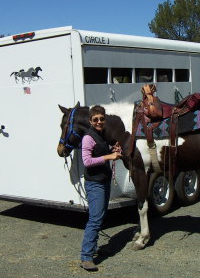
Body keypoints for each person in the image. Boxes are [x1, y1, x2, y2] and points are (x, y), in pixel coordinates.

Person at [80, 105, 122, 272]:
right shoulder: (88, 138)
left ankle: (94, 248)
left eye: (101, 119)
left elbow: (100, 154)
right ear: (90, 121)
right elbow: (87, 161)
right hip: (94, 184)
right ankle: (86, 257)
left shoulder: (100, 135)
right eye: (95, 119)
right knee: (95, 219)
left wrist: (113, 150)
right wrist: (109, 156)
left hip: (103, 182)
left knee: (100, 216)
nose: (99, 121)